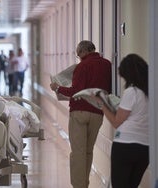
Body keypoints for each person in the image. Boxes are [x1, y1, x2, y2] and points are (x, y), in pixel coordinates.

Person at [50, 40, 112, 188]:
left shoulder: (82, 66)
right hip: (98, 112)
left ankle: (80, 185)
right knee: (88, 151)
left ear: (84, 52)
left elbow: (75, 91)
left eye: (79, 55)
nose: (79, 58)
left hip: (80, 112)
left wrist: (58, 88)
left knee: (78, 153)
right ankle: (85, 183)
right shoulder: (107, 64)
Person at [94, 54, 149, 188]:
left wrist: (102, 104)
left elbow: (116, 122)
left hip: (125, 145)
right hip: (145, 147)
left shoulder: (132, 92)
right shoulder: (151, 92)